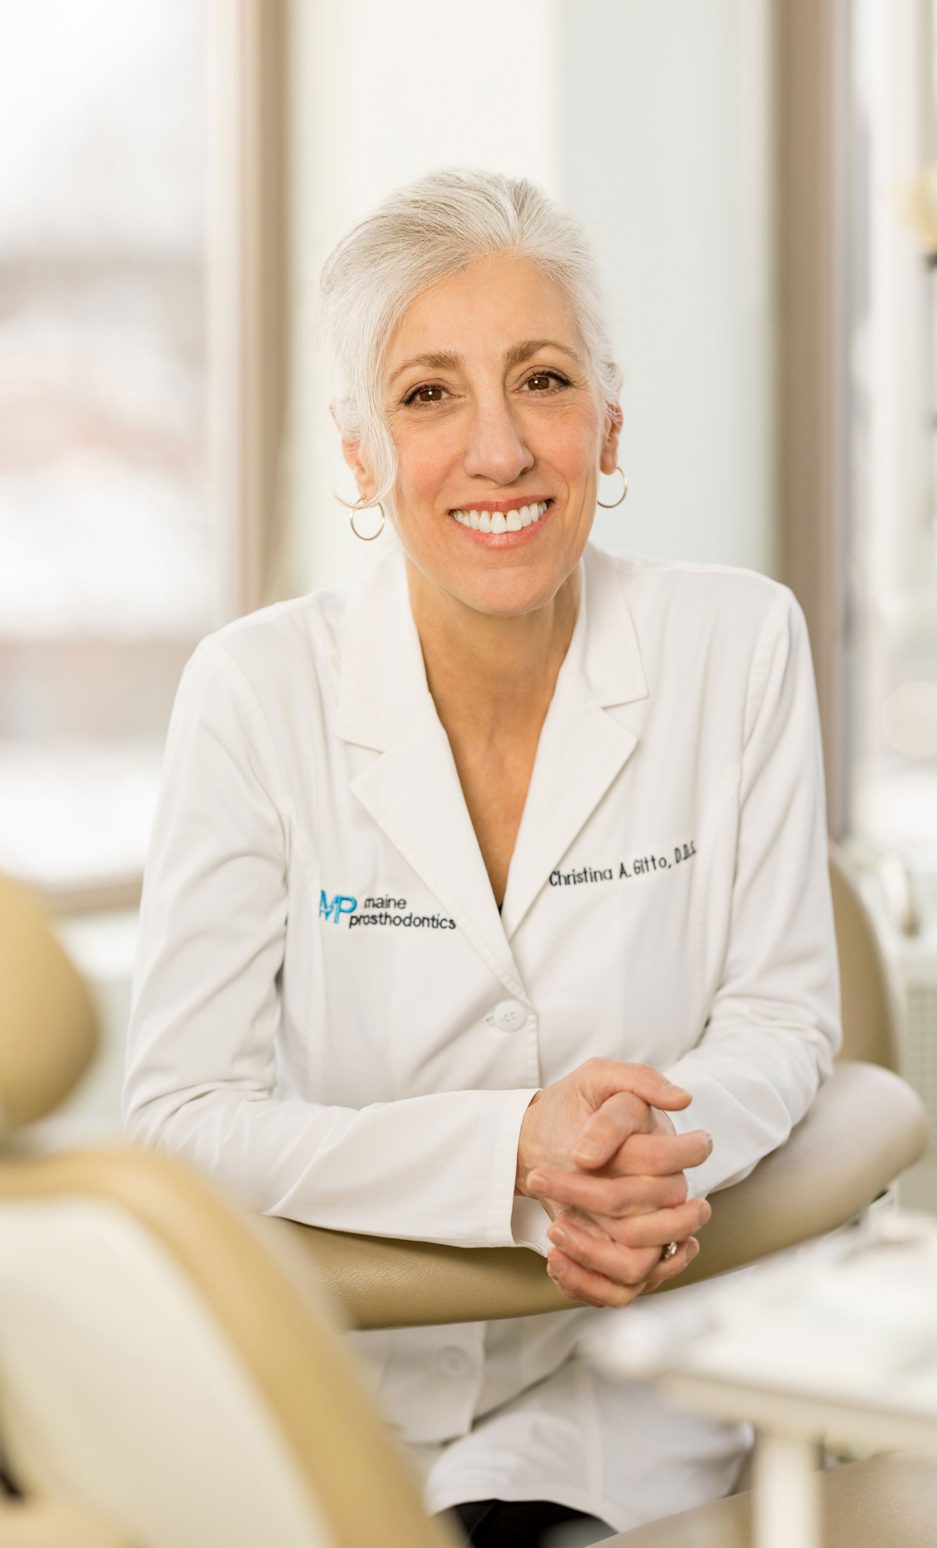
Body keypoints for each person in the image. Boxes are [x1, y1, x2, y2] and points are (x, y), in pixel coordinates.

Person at [122, 168, 841, 1546]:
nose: (500, 450)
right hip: (344, 1379)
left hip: (621, 1384)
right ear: (360, 456)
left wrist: (642, 1155)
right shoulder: (256, 690)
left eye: (544, 380)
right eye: (429, 394)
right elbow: (181, 1117)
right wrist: (513, 1153)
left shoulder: (735, 646)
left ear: (609, 425)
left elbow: (782, 1016)